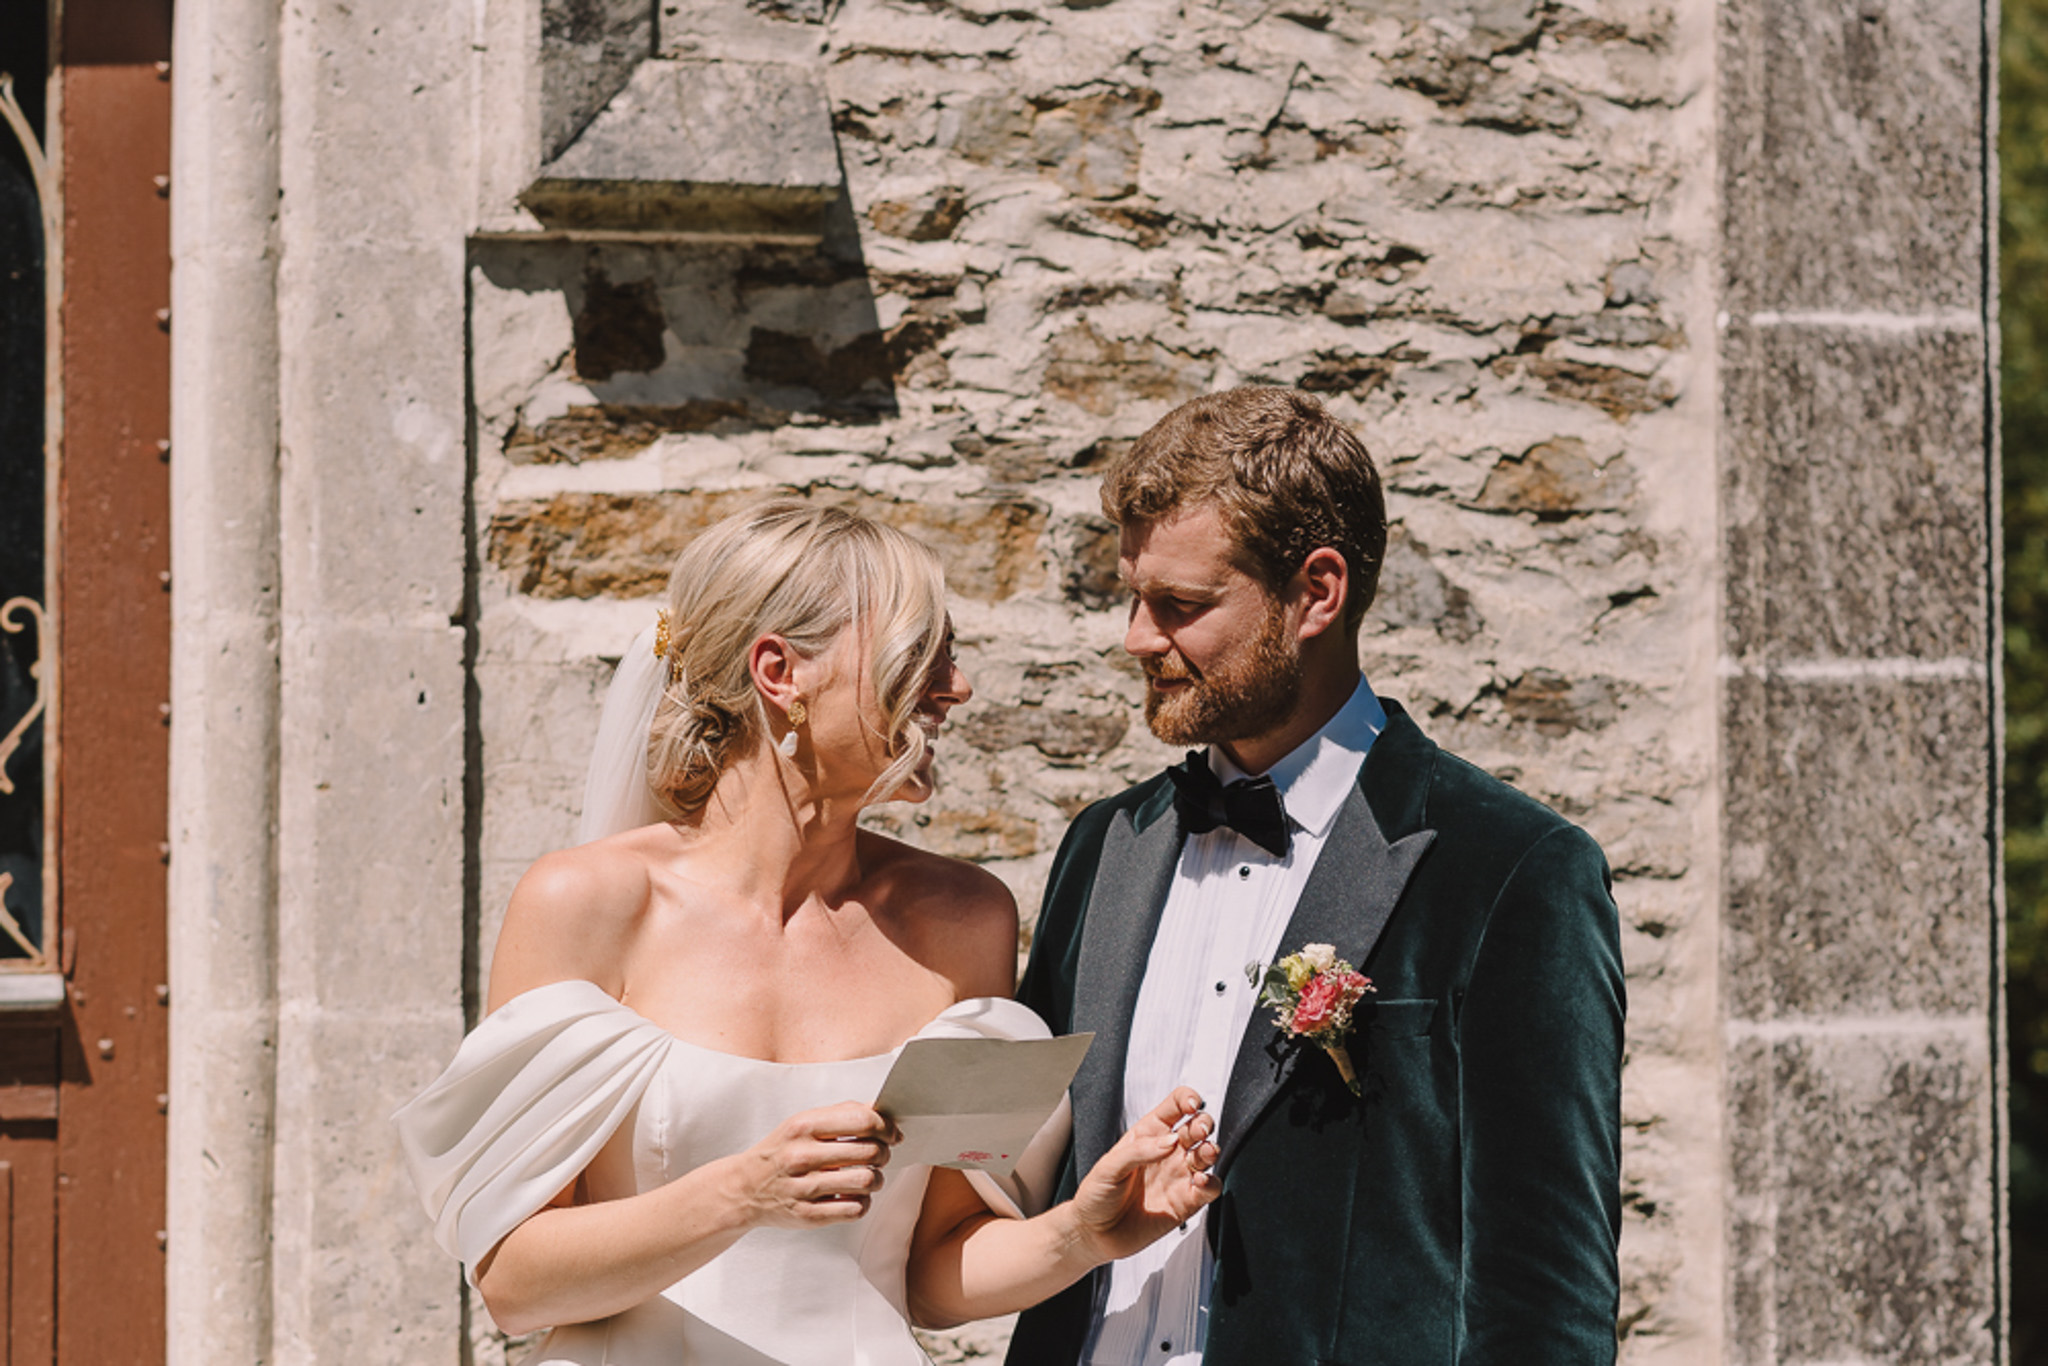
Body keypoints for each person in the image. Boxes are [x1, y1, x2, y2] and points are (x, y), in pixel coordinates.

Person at [394, 499, 1223, 1365]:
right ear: (780, 671)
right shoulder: (585, 903)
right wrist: (744, 1194)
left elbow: (930, 1274)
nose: (957, 686)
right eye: (920, 652)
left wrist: (1084, 1234)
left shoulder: (962, 918)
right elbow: (515, 1283)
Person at [1006, 388, 1625, 1365]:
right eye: (1132, 596)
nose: (1133, 636)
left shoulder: (1511, 872)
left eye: (1179, 604)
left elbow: (1544, 1294)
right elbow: (1017, 1186)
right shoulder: (1102, 846)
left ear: (1316, 592)